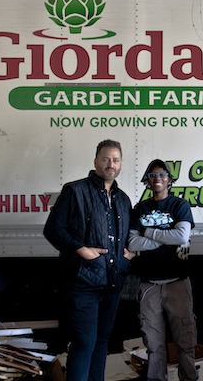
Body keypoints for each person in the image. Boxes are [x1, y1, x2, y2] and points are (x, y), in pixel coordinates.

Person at [44, 139, 134, 381]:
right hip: (83, 283)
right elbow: (53, 229)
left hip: (112, 284)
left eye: (115, 160)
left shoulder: (123, 199)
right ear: (96, 161)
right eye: (105, 159)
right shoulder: (75, 191)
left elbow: (131, 233)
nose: (110, 164)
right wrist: (80, 249)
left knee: (102, 343)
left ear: (121, 163)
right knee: (85, 342)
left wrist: (132, 252)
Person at [128, 159, 197, 381]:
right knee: (154, 345)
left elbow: (182, 237)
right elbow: (132, 244)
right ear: (148, 181)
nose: (157, 179)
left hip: (178, 282)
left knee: (185, 342)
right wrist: (165, 239)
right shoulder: (141, 208)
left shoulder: (179, 206)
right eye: (152, 176)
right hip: (149, 284)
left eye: (162, 175)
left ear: (169, 180)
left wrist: (150, 232)